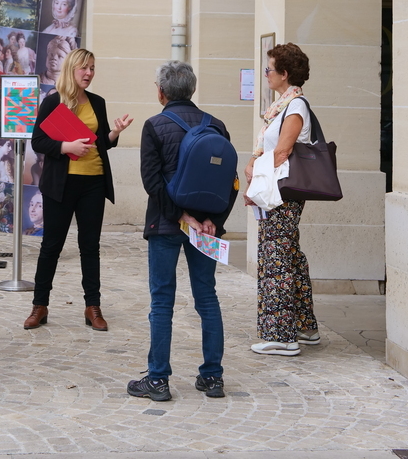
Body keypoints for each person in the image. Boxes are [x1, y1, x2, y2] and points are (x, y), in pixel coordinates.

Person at [127, 61, 237, 403]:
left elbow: (152, 183)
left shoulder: (155, 126)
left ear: (161, 92)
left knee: (162, 300)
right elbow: (231, 182)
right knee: (207, 297)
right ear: (191, 90)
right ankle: (212, 378)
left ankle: (158, 380)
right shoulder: (216, 125)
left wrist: (181, 216)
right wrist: (213, 222)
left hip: (164, 225)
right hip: (205, 228)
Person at [24, 48, 133, 332]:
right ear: (72, 70)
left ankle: (92, 306)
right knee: (51, 247)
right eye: (84, 68)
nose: (89, 73)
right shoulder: (53, 102)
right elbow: (37, 141)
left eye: (93, 68)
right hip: (61, 185)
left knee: (90, 247)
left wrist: (115, 132)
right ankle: (39, 305)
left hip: (93, 182)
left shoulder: (97, 102)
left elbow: (101, 142)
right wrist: (65, 147)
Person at [244, 42, 319, 356]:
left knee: (276, 261)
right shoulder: (283, 106)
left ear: (285, 74)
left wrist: (254, 175)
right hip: (276, 192)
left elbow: (283, 151)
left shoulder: (295, 106)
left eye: (269, 69)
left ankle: (281, 336)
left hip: (281, 195)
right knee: (290, 257)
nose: (266, 74)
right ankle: (305, 326)